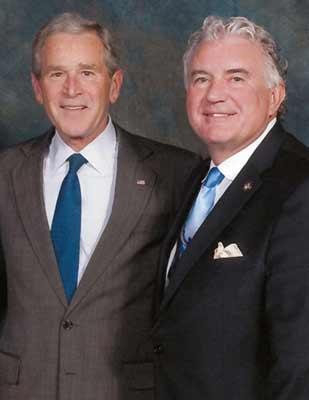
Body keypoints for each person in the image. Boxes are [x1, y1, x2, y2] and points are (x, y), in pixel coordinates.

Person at [0, 12, 198, 400]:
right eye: (57, 74)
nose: (72, 90)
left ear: (115, 84)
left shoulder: (177, 174)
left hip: (127, 390)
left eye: (88, 73)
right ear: (38, 88)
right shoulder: (4, 172)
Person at [148, 16, 309, 399]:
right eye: (202, 78)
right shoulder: (199, 178)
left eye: (236, 77)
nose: (215, 94)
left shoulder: (298, 189)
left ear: (275, 96)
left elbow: (301, 366)